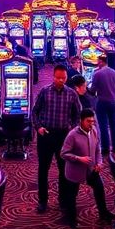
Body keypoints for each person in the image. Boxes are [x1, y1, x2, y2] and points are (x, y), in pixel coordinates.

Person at [31, 64, 82, 213]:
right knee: (43, 170)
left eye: (64, 78)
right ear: (53, 77)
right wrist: (38, 127)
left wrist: (72, 129)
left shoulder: (71, 94)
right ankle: (42, 201)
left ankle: (62, 200)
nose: (61, 80)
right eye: (58, 78)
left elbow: (77, 115)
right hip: (46, 134)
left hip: (63, 136)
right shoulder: (44, 91)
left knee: (63, 170)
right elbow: (35, 112)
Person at [59, 109, 115, 229]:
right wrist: (79, 158)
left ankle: (103, 213)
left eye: (93, 121)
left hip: (91, 170)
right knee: (72, 196)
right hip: (75, 172)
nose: (91, 124)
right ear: (81, 121)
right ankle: (72, 220)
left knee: (99, 188)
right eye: (88, 121)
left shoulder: (94, 130)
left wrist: (99, 162)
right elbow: (63, 154)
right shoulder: (72, 135)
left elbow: (97, 149)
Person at [89, 54, 115, 155]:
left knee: (103, 126)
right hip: (114, 102)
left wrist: (87, 88)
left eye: (98, 62)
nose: (97, 64)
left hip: (102, 101)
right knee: (114, 125)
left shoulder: (97, 73)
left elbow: (93, 90)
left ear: (102, 62)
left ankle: (105, 148)